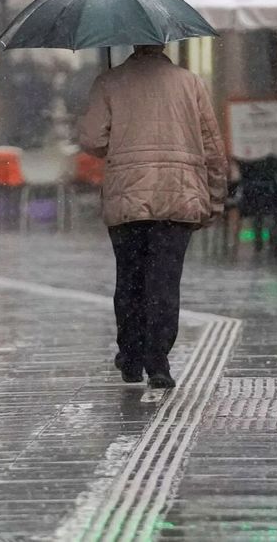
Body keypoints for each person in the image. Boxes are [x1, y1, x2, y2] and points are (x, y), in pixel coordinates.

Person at [77, 44, 228, 389]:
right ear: (164, 43)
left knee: (129, 278)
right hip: (178, 195)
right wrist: (215, 200)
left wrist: (119, 145)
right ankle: (158, 360)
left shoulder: (110, 81)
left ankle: (130, 356)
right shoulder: (190, 83)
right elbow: (213, 150)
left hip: (128, 196)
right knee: (164, 281)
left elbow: (90, 137)